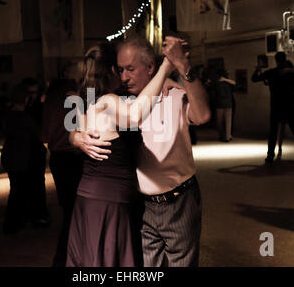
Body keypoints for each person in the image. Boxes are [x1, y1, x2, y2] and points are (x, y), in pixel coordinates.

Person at [70, 37, 211, 267]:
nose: (124, 77)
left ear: (150, 68)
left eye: (131, 69)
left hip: (178, 200)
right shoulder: (119, 101)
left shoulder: (173, 95)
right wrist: (76, 138)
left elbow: (203, 115)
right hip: (140, 205)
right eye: (120, 70)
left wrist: (183, 70)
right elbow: (79, 122)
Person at [40, 64, 84, 267]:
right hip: (79, 157)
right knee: (80, 211)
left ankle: (63, 259)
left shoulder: (51, 97)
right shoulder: (85, 94)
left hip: (58, 158)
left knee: (69, 210)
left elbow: (45, 135)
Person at [0, 84, 49, 234]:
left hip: (10, 156)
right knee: (18, 191)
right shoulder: (24, 117)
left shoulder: (7, 115)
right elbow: (40, 133)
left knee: (16, 190)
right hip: (21, 158)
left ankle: (14, 222)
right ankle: (12, 223)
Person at [252, 52, 294, 163]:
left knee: (273, 132)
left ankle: (270, 156)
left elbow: (254, 79)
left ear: (276, 60)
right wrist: (290, 72)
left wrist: (258, 69)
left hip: (276, 106)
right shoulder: (290, 73)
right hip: (291, 106)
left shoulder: (271, 73)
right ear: (285, 60)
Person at [212, 70, 235, 142]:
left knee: (219, 122)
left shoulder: (216, 83)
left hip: (219, 104)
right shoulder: (229, 83)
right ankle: (227, 137)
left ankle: (221, 136)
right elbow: (235, 83)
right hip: (228, 104)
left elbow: (213, 93)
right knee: (228, 122)